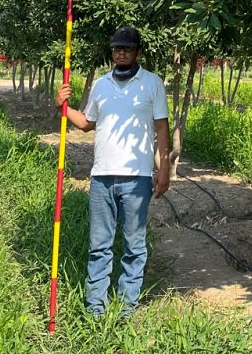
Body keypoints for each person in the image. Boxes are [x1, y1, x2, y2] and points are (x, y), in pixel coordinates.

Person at [54, 26, 170, 315]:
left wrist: (164, 169)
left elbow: (161, 128)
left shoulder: (152, 83)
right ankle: (96, 306)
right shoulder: (101, 85)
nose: (121, 52)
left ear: (137, 52)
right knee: (99, 245)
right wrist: (62, 107)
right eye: (117, 48)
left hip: (138, 177)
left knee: (134, 245)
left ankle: (127, 305)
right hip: (102, 177)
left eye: (127, 48)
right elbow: (87, 123)